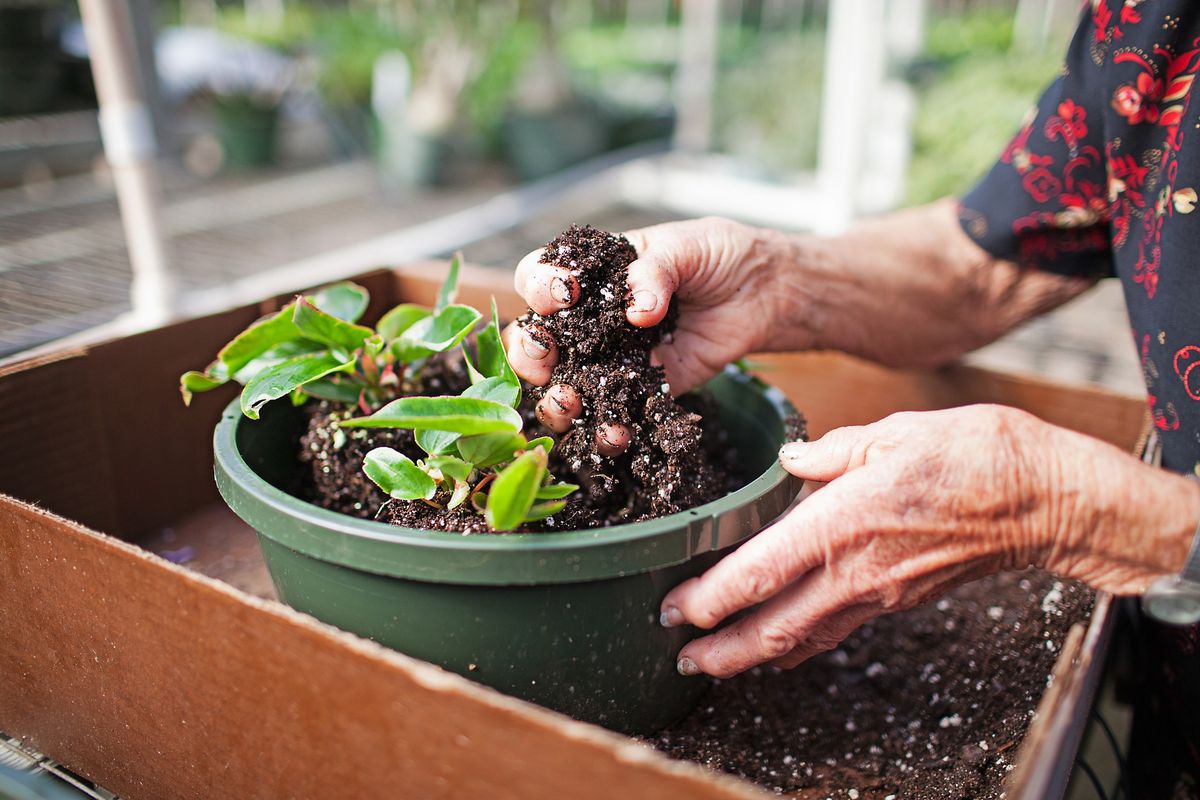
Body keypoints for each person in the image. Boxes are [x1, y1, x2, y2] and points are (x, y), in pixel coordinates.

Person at [503, 1, 1200, 794]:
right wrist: (776, 278)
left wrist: (1067, 506)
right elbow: (986, 264)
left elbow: (1061, 501)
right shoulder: (1156, 22)